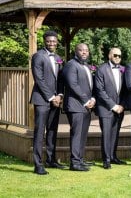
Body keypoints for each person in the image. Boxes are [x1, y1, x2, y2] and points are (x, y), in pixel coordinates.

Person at [30, 30, 65, 175]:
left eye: (54, 41)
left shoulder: (58, 58)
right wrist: (51, 97)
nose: (52, 43)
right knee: (39, 132)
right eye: (49, 41)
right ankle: (38, 164)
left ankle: (51, 160)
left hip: (55, 100)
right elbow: (39, 79)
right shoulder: (38, 56)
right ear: (44, 41)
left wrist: (60, 95)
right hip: (42, 100)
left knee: (52, 131)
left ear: (57, 42)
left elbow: (61, 79)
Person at [63, 43, 96, 171]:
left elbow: (90, 86)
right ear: (75, 52)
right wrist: (85, 100)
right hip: (75, 106)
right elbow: (73, 84)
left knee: (83, 134)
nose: (84, 52)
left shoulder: (87, 66)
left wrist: (92, 99)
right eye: (81, 50)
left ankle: (80, 160)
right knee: (77, 134)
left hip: (86, 106)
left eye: (86, 50)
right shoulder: (71, 65)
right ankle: (74, 163)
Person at [94, 48, 127, 169]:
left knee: (115, 133)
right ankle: (106, 160)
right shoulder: (101, 69)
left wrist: (122, 105)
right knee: (106, 134)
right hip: (106, 108)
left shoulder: (123, 70)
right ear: (109, 56)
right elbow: (100, 90)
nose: (118, 57)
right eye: (115, 55)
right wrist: (113, 106)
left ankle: (113, 156)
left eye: (119, 55)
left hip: (120, 108)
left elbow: (125, 90)